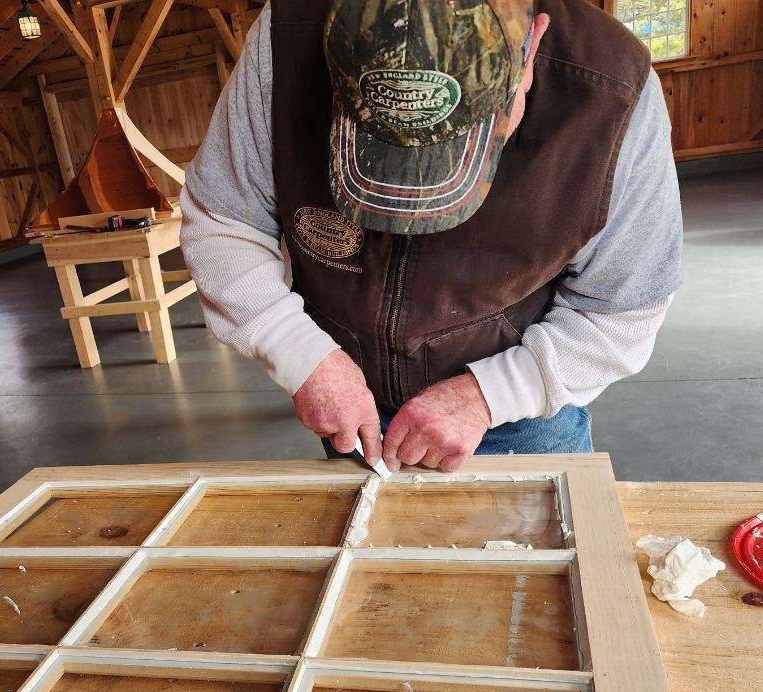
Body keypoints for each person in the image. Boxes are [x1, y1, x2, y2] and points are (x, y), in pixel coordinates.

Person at [181, 0, 681, 472]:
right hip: (350, 402)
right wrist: (302, 355)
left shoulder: (613, 88)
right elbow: (225, 221)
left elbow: (621, 308)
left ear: (532, 41)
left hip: (522, 413)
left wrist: (491, 394)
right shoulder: (285, 36)